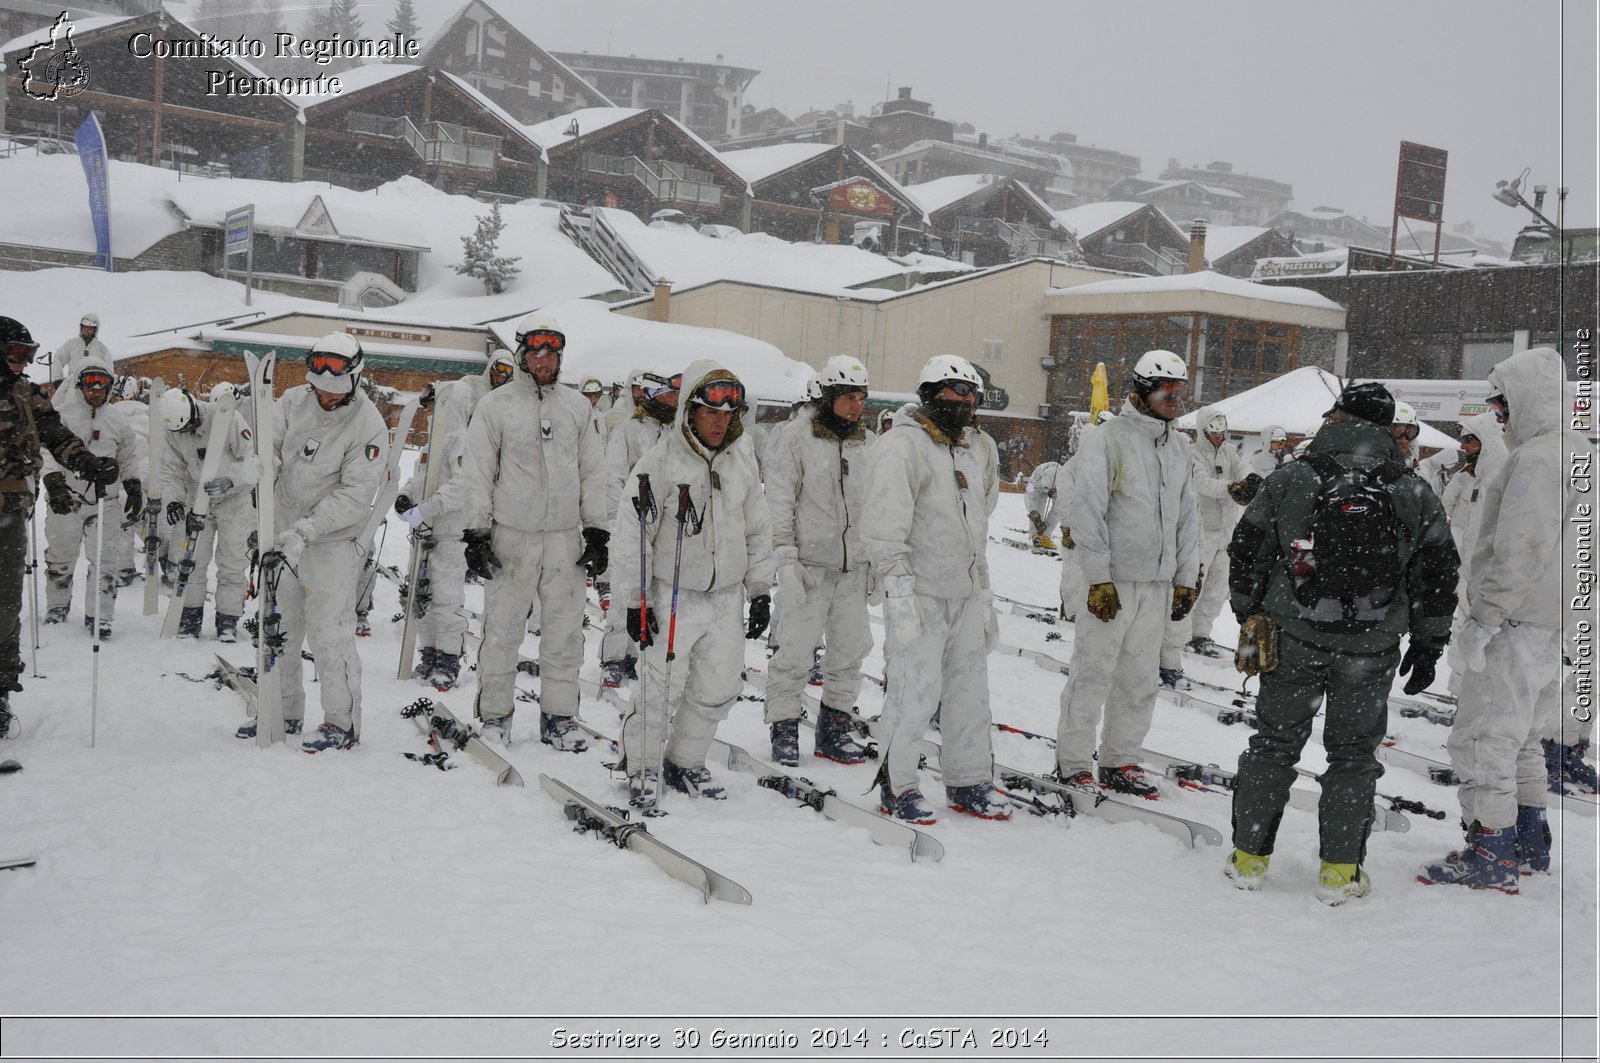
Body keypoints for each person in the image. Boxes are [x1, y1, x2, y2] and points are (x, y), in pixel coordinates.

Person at [1225, 381, 1458, 904]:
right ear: (1385, 425)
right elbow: (1437, 569)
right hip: (1370, 647)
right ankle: (1339, 870)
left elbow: (1247, 549)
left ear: (1338, 416)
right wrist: (1428, 643)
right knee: (1353, 756)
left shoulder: (1292, 476)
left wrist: (1250, 615)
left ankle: (1248, 859)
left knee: (1273, 745)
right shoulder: (1411, 488)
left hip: (1294, 635)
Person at [1420, 348, 1582, 893]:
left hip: (1515, 624)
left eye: (1503, 406)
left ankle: (1490, 847)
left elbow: (1520, 547)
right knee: (1525, 739)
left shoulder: (1537, 459)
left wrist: (1485, 617)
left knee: (1485, 735)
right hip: (1557, 625)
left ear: (1526, 400)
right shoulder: (1582, 453)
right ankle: (1530, 841)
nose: (1499, 419)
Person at [405, 315, 607, 750]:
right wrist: (477, 534)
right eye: (536, 353)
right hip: (511, 536)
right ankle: (496, 715)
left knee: (565, 634)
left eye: (551, 353)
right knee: (502, 630)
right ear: (521, 356)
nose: (544, 361)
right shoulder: (496, 408)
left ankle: (559, 718)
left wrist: (596, 531)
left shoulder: (577, 408)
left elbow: (593, 473)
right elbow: (478, 474)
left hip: (564, 540)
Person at [610, 361, 773, 806]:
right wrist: (635, 600)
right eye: (711, 412)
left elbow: (758, 527)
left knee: (718, 688)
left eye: (728, 414)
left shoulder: (742, 458)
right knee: (659, 687)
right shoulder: (659, 462)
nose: (721, 422)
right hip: (672, 592)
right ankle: (640, 765)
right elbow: (632, 536)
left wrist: (759, 589)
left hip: (725, 597)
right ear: (689, 412)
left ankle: (685, 761)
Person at [862, 354, 1010, 824]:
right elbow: (884, 529)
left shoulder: (964, 450)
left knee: (970, 693)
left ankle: (968, 780)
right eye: (955, 391)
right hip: (921, 592)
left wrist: (983, 596)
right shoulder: (902, 447)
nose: (965, 402)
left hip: (963, 591)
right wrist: (901, 599)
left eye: (971, 395)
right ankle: (898, 783)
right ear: (929, 393)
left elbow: (975, 531)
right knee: (915, 692)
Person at [1054, 350, 1199, 799]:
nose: (1174, 400)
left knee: (1139, 679)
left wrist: (1185, 579)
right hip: (1112, 583)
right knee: (1092, 673)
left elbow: (1187, 518)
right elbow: (1089, 511)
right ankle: (1074, 762)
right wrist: (1097, 577)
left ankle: (1121, 759)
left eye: (1179, 391)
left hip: (1156, 585)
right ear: (1141, 390)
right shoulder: (1107, 439)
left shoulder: (1180, 447)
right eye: (1165, 391)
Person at [247, 332, 388, 752]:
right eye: (318, 381)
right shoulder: (292, 401)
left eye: (334, 383)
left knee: (329, 634)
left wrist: (306, 531)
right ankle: (284, 711)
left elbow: (354, 496)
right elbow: (268, 446)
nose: (324, 393)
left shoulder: (369, 425)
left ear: (354, 374)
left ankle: (341, 723)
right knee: (280, 626)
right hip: (283, 532)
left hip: (331, 544)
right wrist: (261, 470)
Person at [0, 317, 120, 737]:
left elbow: (54, 432)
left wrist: (85, 461)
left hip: (10, 512)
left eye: (28, 355)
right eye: (16, 354)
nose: (23, 363)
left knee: (4, 606)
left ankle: (0, 695)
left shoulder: (27, 394)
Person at [764, 355, 875, 767]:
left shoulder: (870, 444)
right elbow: (779, 500)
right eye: (847, 397)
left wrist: (876, 560)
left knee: (850, 652)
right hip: (808, 567)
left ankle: (834, 729)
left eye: (862, 397)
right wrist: (785, 558)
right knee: (794, 652)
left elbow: (879, 506)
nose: (855, 406)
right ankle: (784, 727)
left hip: (854, 568)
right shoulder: (796, 437)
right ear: (828, 396)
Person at [393, 357, 514, 689]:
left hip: (448, 536)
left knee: (447, 601)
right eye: (430, 406)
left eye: (437, 405)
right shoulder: (434, 441)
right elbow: (422, 480)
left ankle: (449, 658)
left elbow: (461, 487)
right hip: (423, 536)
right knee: (424, 598)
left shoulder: (461, 440)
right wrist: (406, 497)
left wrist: (427, 510)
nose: (431, 412)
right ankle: (428, 653)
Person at [39, 356, 146, 639]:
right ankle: (57, 607)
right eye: (90, 383)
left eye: (103, 384)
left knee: (104, 561)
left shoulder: (118, 420)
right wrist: (54, 483)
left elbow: (128, 457)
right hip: (67, 498)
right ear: (80, 385)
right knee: (60, 557)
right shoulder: (62, 414)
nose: (96, 390)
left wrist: (134, 486)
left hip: (105, 501)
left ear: (110, 386)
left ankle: (100, 615)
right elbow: (47, 452)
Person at [597, 367, 679, 689]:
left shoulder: (675, 435)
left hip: (663, 531)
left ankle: (633, 655)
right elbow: (613, 478)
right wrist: (617, 525)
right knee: (624, 597)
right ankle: (612, 658)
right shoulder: (629, 431)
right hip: (631, 527)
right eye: (667, 395)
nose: (672, 401)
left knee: (649, 596)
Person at [158, 386, 260, 641]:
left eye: (189, 426)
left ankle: (227, 619)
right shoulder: (173, 431)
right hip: (198, 501)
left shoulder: (228, 418)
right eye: (181, 430)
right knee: (191, 561)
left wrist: (230, 480)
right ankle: (189, 617)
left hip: (234, 501)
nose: (187, 433)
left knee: (232, 563)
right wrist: (173, 501)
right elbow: (170, 469)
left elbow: (253, 461)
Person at [1438, 415, 1506, 698]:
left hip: (1486, 576)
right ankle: (1461, 693)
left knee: (1477, 635)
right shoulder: (1468, 477)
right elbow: (1447, 506)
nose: (1464, 446)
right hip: (1467, 566)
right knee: (1462, 628)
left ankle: (1472, 696)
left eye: (1470, 439)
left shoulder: (1499, 480)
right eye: (1463, 439)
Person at [1182, 410, 1258, 661]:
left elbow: (1243, 467)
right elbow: (1202, 483)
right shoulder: (1191, 455)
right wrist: (1231, 488)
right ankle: (1179, 634)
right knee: (1194, 586)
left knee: (1216, 589)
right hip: (1202, 532)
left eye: (1221, 433)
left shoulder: (1230, 452)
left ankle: (1200, 634)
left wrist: (1250, 480)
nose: (1218, 438)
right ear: (1203, 432)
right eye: (1213, 433)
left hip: (1227, 532)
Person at [48, 313, 111, 392]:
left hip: (93, 390)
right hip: (72, 389)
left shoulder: (102, 349)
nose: (86, 330)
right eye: (84, 327)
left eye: (89, 328)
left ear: (95, 330)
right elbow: (58, 358)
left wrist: (106, 389)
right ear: (81, 327)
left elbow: (109, 372)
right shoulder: (71, 344)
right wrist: (57, 380)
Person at [1023, 460, 1063, 550]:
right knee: (1038, 510)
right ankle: (1034, 534)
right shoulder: (1035, 478)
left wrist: (1055, 491)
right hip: (1038, 491)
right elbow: (1030, 496)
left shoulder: (1063, 478)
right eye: (1047, 487)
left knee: (1058, 509)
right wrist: (1035, 516)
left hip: (1058, 490)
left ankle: (1045, 536)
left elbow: (1058, 508)